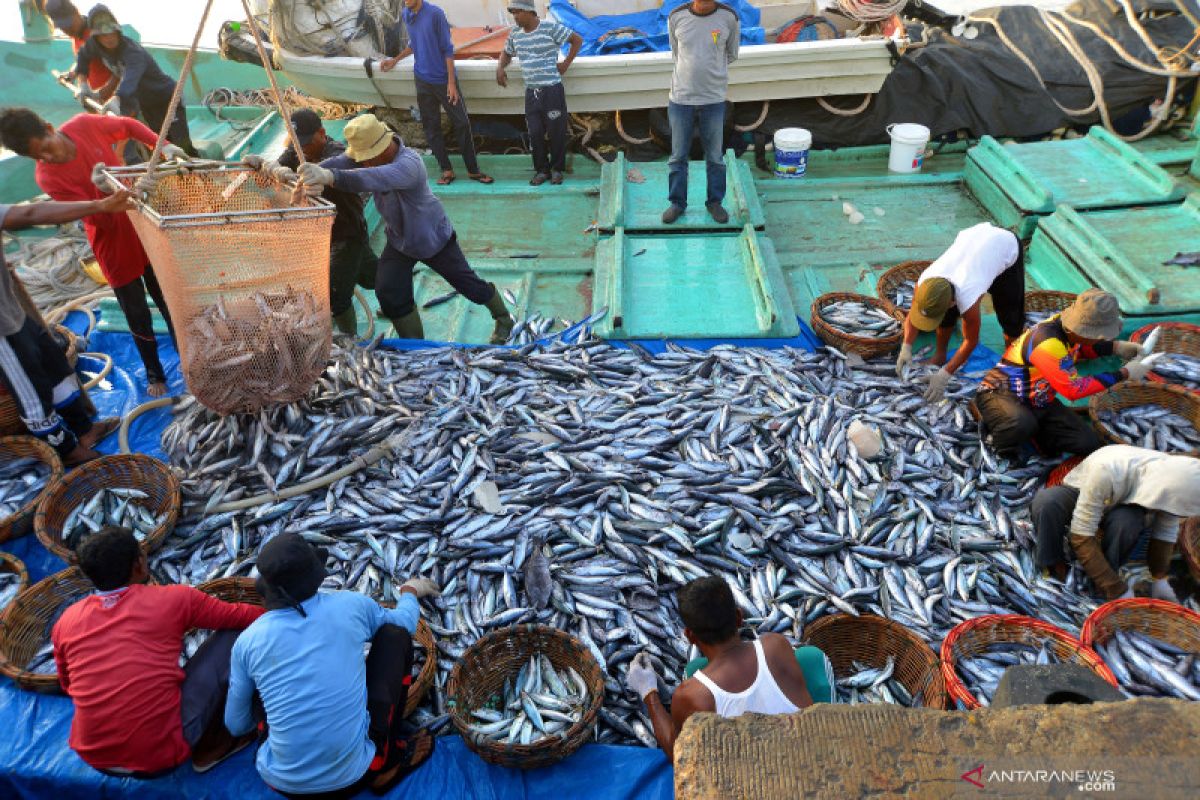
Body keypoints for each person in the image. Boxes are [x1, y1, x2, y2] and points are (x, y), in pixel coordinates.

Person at [225, 533, 438, 798]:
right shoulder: (349, 605)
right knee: (395, 637)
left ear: (265, 589)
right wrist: (409, 591)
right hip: (357, 774)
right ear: (315, 579)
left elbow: (235, 725)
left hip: (283, 783)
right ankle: (388, 760)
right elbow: (404, 622)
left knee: (256, 680)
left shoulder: (247, 641)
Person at [0, 106, 185, 397]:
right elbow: (96, 218)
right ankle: (154, 372)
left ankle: (186, 353)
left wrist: (165, 145)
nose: (47, 158)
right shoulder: (48, 178)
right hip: (111, 241)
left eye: (46, 148)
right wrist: (105, 195)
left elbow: (128, 125)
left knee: (167, 297)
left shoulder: (84, 125)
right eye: (38, 157)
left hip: (142, 226)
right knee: (136, 312)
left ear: (50, 127)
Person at [51, 526, 264, 776]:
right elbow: (243, 616)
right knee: (233, 635)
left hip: (95, 757)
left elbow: (66, 684)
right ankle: (213, 747)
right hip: (160, 755)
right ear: (138, 565)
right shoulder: (173, 599)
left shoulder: (67, 621)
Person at [297, 114, 515, 343]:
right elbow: (342, 163)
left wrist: (330, 176)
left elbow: (372, 177)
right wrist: (306, 173)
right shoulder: (371, 159)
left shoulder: (409, 164)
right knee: (388, 290)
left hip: (433, 240)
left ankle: (503, 317)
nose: (363, 163)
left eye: (367, 159)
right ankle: (414, 345)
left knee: (469, 286)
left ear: (382, 150)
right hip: (399, 240)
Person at [624, 576, 832, 762]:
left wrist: (648, 692)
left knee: (694, 668)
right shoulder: (776, 646)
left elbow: (677, 753)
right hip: (812, 767)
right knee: (809, 656)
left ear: (690, 637)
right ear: (739, 617)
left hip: (754, 788)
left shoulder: (692, 695)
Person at [0, 196, 131, 464]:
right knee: (32, 392)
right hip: (3, 332)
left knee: (55, 365)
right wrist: (99, 205)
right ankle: (67, 450)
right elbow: (30, 214)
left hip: (13, 312)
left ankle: (84, 429)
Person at [974, 289, 1151, 462]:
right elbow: (1073, 390)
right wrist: (1124, 373)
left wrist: (1116, 348)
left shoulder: (1067, 329)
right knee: (1020, 424)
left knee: (1087, 443)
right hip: (1000, 394)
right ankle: (998, 442)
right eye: (1099, 336)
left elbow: (1082, 349)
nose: (1101, 339)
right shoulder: (1048, 342)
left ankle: (1036, 435)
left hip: (1040, 400)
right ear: (1083, 331)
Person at [245, 109, 378, 336]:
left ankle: (352, 343)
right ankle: (394, 292)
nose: (302, 148)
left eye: (306, 141)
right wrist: (264, 167)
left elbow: (331, 170)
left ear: (322, 133)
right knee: (373, 275)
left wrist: (305, 176)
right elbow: (274, 173)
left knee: (336, 296)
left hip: (346, 234)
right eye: (297, 142)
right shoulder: (296, 150)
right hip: (320, 236)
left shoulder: (337, 152)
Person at [1032, 445, 1200, 602]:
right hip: (1084, 490)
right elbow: (1080, 535)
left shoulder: (1175, 483)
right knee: (1047, 502)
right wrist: (1116, 589)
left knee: (1128, 522)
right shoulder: (1107, 469)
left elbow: (1166, 530)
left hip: (1125, 503)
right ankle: (1054, 564)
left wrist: (1159, 577)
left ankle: (1105, 573)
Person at [895, 223, 1027, 402]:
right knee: (944, 316)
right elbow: (912, 315)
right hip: (974, 240)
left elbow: (971, 341)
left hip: (1004, 246)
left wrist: (944, 376)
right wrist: (907, 346)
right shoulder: (926, 282)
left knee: (1010, 316)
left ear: (952, 301)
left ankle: (1012, 364)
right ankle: (940, 355)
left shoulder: (969, 297)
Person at [379, 0, 493, 186]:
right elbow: (414, 44)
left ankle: (473, 170)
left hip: (443, 80)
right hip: (422, 80)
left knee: (462, 123)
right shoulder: (407, 14)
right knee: (431, 126)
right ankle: (446, 169)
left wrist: (451, 83)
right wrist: (395, 60)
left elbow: (447, 49)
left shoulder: (435, 14)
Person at [74, 5, 196, 156]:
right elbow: (83, 57)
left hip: (168, 99)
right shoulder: (95, 46)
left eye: (112, 33)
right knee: (161, 145)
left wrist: (116, 98)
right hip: (147, 104)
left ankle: (201, 172)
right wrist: (83, 84)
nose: (109, 38)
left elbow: (130, 80)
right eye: (104, 35)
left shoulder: (133, 52)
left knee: (182, 146)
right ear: (96, 37)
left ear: (118, 31)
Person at [662, 0, 740, 225]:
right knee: (678, 156)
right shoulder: (676, 17)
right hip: (681, 99)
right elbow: (676, 53)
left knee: (715, 157)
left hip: (714, 100)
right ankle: (677, 203)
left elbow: (731, 54)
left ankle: (715, 202)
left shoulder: (729, 17)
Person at [495, 1, 583, 186]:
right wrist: (500, 67)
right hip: (531, 93)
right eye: (513, 13)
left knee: (556, 132)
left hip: (552, 90)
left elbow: (577, 40)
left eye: (517, 12)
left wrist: (565, 64)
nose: (515, 17)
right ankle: (542, 170)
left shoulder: (550, 28)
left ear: (529, 11)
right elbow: (506, 52)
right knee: (534, 133)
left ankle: (557, 169)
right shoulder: (516, 34)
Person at [45, 0, 113, 92]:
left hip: (114, 102)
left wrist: (102, 94)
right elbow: (84, 62)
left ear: (76, 12)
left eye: (68, 24)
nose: (66, 30)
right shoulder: (76, 37)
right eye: (62, 27)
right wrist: (72, 74)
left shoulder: (98, 35)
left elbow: (120, 72)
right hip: (94, 101)